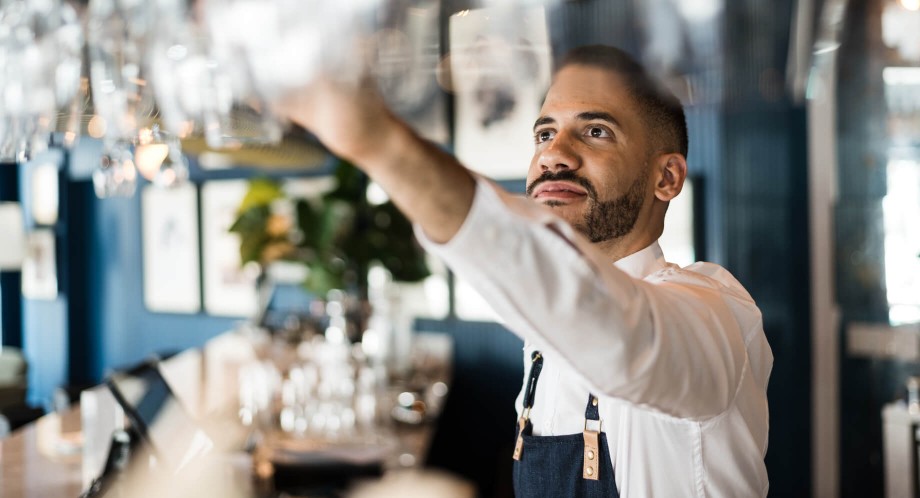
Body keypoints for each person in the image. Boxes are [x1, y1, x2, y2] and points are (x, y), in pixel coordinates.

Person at [280, 44, 772, 497]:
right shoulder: (542, 343)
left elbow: (621, 336)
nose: (553, 154)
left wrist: (380, 144)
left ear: (666, 177)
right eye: (544, 133)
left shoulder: (716, 315)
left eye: (596, 131)